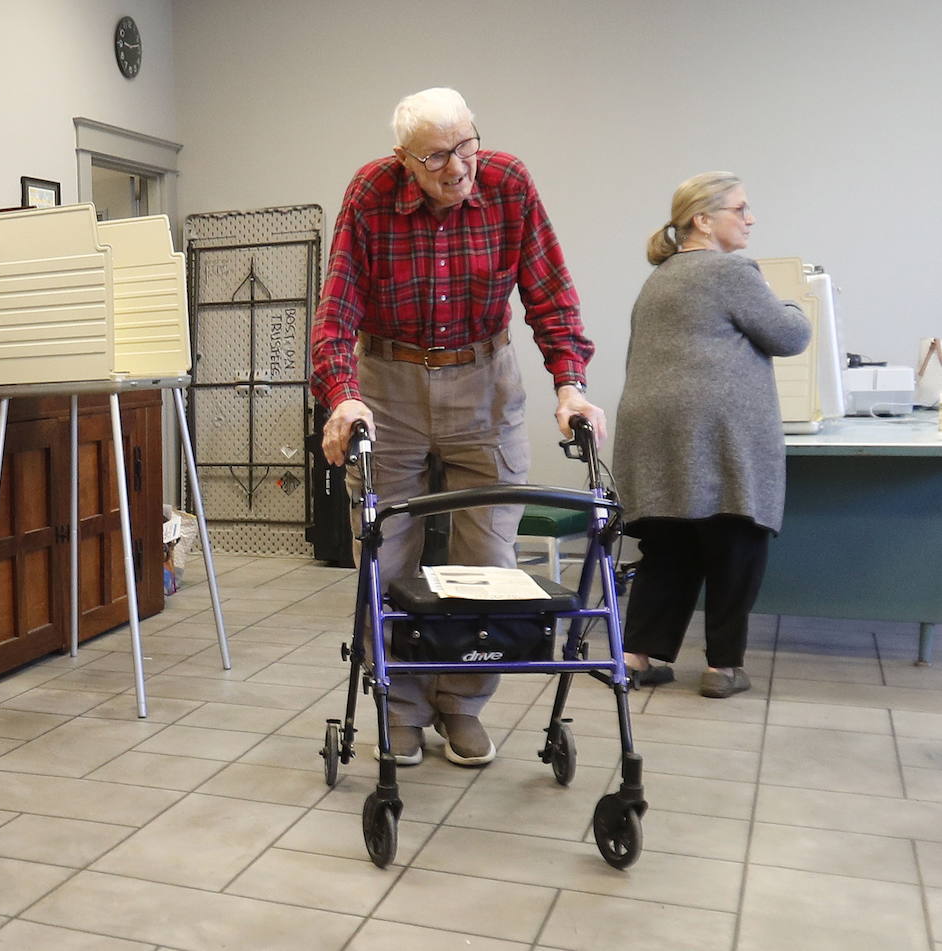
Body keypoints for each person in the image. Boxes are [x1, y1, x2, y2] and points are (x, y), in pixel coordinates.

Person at [312, 87, 606, 767]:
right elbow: (337, 311)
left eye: (466, 145)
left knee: (490, 561)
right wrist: (342, 397)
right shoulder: (370, 192)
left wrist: (569, 386)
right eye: (438, 155)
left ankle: (463, 702)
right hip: (390, 382)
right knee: (386, 559)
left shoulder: (508, 182)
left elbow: (551, 292)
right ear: (404, 160)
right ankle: (404, 705)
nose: (458, 166)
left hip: (484, 380)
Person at [612, 171, 810, 699]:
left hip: (653, 433)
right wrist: (790, 298)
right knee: (734, 539)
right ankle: (723, 668)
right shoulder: (732, 271)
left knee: (669, 545)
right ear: (703, 219)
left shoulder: (660, 276)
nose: (751, 218)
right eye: (740, 208)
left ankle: (637, 657)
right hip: (718, 434)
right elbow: (791, 334)